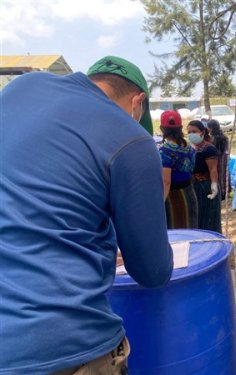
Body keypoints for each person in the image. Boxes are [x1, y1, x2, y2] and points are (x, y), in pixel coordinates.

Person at [0, 55, 173, 374]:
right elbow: (152, 272)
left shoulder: (22, 87)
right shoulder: (130, 137)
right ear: (138, 102)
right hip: (60, 343)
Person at [159, 110, 198, 228]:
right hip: (189, 193)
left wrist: (160, 203)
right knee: (191, 231)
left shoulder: (165, 150)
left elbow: (166, 182)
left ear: (162, 129)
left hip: (174, 198)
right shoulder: (188, 147)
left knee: (177, 235)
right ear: (180, 127)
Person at [187, 120, 222, 233]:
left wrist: (214, 185)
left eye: (194, 131)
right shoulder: (191, 148)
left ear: (202, 132)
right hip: (194, 186)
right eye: (189, 132)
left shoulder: (209, 149)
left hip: (205, 186)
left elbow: (213, 169)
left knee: (208, 218)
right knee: (197, 217)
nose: (191, 134)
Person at [207, 119, 231, 200]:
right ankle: (225, 191)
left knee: (217, 175)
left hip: (217, 158)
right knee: (224, 174)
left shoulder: (212, 138)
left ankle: (219, 192)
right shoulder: (224, 136)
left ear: (211, 128)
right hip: (224, 157)